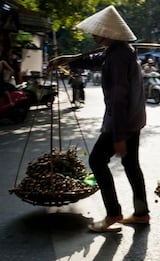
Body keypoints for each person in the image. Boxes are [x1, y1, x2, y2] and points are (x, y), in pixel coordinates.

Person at [48, 5, 150, 232]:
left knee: (96, 161)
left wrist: (118, 136)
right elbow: (95, 59)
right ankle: (142, 213)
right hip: (134, 119)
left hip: (123, 121)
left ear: (109, 32)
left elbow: (118, 99)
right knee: (131, 164)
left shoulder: (118, 57)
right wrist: (69, 60)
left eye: (97, 30)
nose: (93, 35)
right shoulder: (122, 50)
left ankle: (113, 214)